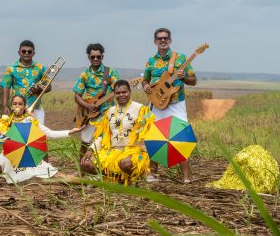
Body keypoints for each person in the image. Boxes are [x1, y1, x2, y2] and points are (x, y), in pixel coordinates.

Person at [142, 28, 196, 183]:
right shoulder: (151, 61)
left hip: (176, 103)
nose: (163, 40)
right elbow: (145, 79)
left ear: (170, 40)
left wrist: (184, 77)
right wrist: (145, 85)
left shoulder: (181, 59)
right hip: (156, 103)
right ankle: (153, 174)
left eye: (165, 38)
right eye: (160, 38)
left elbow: (194, 81)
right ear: (155, 41)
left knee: (181, 137)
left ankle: (185, 178)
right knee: (153, 137)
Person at [0, 95, 81, 183]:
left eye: (20, 104)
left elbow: (50, 134)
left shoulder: (30, 120)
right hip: (8, 156)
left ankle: (85, 182)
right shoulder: (4, 121)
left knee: (59, 176)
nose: (17, 106)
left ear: (24, 106)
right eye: (14, 103)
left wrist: (70, 132)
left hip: (27, 156)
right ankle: (12, 175)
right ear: (11, 106)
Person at [81, 79, 155, 185]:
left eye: (124, 92)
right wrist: (91, 149)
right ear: (114, 94)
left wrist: (144, 151)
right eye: (118, 93)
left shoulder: (141, 109)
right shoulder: (109, 112)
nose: (121, 95)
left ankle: (135, 177)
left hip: (133, 151)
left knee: (126, 164)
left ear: (130, 92)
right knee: (86, 164)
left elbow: (149, 133)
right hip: (113, 151)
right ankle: (116, 179)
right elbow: (104, 136)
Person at [72, 43, 119, 154]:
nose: (96, 59)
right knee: (85, 142)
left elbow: (117, 90)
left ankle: (103, 169)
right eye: (93, 57)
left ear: (102, 56)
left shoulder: (111, 72)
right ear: (89, 57)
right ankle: (82, 170)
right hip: (88, 115)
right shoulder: (84, 75)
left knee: (107, 141)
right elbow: (77, 95)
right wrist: (88, 106)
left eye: (98, 56)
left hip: (107, 113)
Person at [0, 40, 50, 123]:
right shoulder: (11, 68)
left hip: (36, 108)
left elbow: (49, 87)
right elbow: (6, 86)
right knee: (18, 135)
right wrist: (5, 106)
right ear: (19, 53)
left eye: (29, 51)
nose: (26, 53)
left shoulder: (40, 67)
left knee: (38, 134)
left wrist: (39, 89)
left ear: (33, 53)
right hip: (17, 109)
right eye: (23, 51)